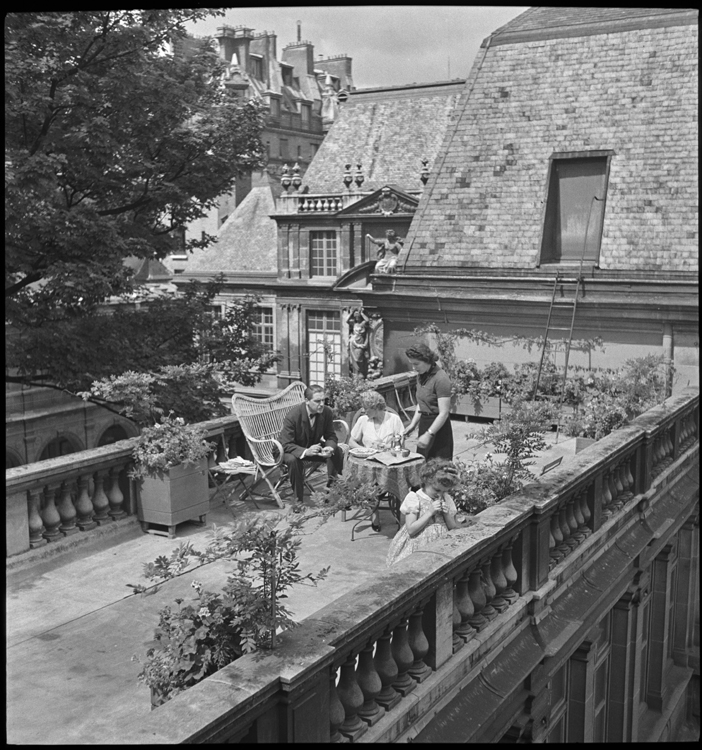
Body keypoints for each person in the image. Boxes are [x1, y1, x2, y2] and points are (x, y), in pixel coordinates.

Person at [386, 459, 462, 566]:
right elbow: (411, 530)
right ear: (427, 482)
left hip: (441, 545)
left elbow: (452, 527)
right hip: (419, 545)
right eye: (437, 490)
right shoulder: (414, 498)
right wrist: (430, 512)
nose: (440, 494)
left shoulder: (446, 498)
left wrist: (446, 514)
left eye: (444, 491)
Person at [280, 384, 344, 506]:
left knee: (337, 451)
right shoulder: (293, 416)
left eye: (323, 400)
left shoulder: (326, 412)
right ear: (306, 401)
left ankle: (330, 493)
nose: (321, 404)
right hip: (287, 450)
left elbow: (330, 435)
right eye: (317, 401)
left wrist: (329, 447)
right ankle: (298, 502)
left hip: (311, 446)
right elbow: (286, 443)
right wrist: (305, 451)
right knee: (294, 460)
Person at [402, 343, 454, 460]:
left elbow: (444, 413)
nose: (414, 368)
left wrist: (429, 434)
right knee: (422, 464)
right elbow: (421, 404)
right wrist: (413, 424)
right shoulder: (421, 376)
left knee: (439, 468)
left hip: (438, 427)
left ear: (427, 360)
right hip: (425, 423)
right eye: (412, 364)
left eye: (416, 364)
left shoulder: (441, 379)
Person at [346, 307, 371, 378]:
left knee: (358, 359)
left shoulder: (362, 324)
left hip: (360, 343)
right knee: (353, 360)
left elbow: (367, 320)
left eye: (358, 317)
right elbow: (347, 320)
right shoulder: (354, 323)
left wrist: (362, 313)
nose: (357, 318)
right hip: (353, 343)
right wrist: (351, 313)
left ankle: (360, 372)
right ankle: (356, 374)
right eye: (355, 317)